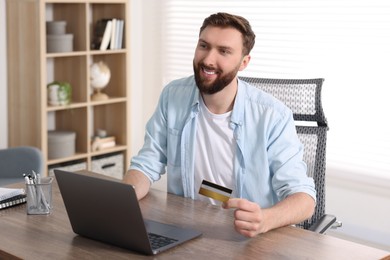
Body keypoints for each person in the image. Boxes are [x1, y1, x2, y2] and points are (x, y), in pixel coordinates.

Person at [123, 12, 316, 238]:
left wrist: (264, 220)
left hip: (248, 238)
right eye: (204, 46)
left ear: (244, 62)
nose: (208, 59)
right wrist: (121, 199)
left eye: (223, 51)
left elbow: (304, 198)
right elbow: (147, 163)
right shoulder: (173, 96)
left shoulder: (273, 116)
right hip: (186, 230)